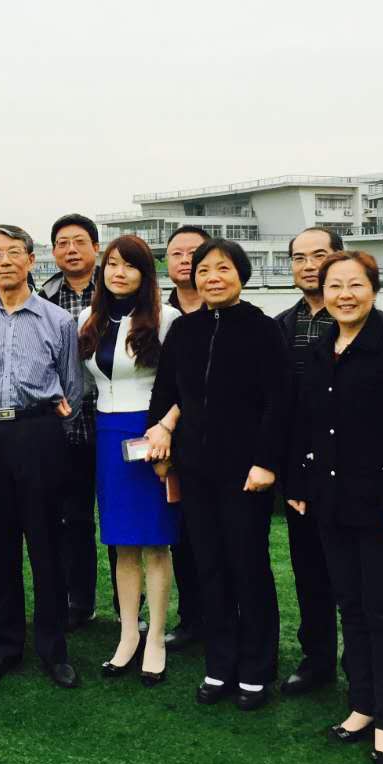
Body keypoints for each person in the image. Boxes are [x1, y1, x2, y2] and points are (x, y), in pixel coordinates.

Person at [286, 251, 383, 764]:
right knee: (349, 605)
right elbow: (305, 423)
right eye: (335, 286)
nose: (344, 295)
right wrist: (299, 484)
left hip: (382, 503)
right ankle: (362, 704)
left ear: (374, 288)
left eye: (355, 285)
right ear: (322, 294)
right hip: (329, 499)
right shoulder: (321, 347)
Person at [146, 238, 285, 710]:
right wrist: (161, 442)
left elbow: (278, 403)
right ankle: (220, 662)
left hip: (246, 472)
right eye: (203, 270)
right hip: (195, 469)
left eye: (223, 269)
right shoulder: (185, 331)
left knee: (248, 565)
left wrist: (266, 461)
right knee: (208, 564)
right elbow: (166, 392)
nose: (212, 278)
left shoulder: (263, 330)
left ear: (241, 275)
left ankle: (257, 667)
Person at [0, 225, 84, 689]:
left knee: (46, 542)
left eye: (14, 252)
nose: (5, 261)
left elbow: (72, 387)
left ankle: (53, 648)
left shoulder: (58, 320)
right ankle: (4, 644)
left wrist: (51, 432)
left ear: (32, 260)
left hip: (40, 433)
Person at [78, 235, 179, 685]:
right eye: (112, 265)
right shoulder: (89, 319)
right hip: (107, 433)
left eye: (130, 265)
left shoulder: (167, 319)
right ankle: (127, 635)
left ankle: (155, 637)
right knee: (121, 543)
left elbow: (183, 385)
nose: (119, 273)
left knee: (156, 542)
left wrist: (166, 430)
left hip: (151, 431)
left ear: (145, 273)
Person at [273, 226, 344, 695]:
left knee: (355, 574)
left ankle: (364, 663)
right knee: (309, 568)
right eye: (299, 258)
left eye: (319, 255)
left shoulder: (363, 321)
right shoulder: (281, 326)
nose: (309, 266)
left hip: (353, 467)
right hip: (299, 466)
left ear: (338, 257)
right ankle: (317, 659)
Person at [39, 213, 108, 631]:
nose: (71, 250)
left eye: (80, 242)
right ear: (53, 252)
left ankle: (130, 607)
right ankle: (78, 601)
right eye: (63, 243)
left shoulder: (117, 287)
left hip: (115, 418)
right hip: (67, 424)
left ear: (96, 248)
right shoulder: (44, 297)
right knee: (73, 518)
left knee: (120, 518)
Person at [161, 224, 210, 653]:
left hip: (219, 444)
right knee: (181, 536)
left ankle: (226, 618)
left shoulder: (230, 312)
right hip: (168, 443)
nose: (185, 260)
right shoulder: (157, 314)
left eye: (194, 252)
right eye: (177, 253)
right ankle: (192, 618)